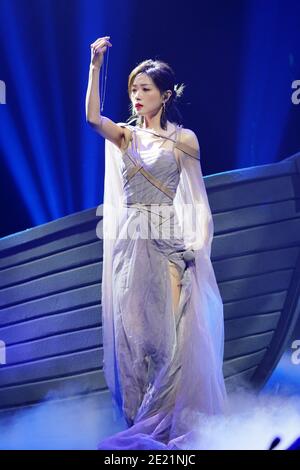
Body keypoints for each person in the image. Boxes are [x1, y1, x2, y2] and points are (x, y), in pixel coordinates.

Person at [85, 36, 229, 450]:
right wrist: (95, 66)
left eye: (145, 88)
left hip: (168, 244)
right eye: (133, 89)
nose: (136, 96)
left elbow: (198, 200)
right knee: (133, 341)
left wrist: (196, 250)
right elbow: (94, 118)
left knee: (170, 342)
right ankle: (137, 425)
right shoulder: (126, 138)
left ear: (165, 95)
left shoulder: (184, 140)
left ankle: (163, 425)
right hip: (131, 246)